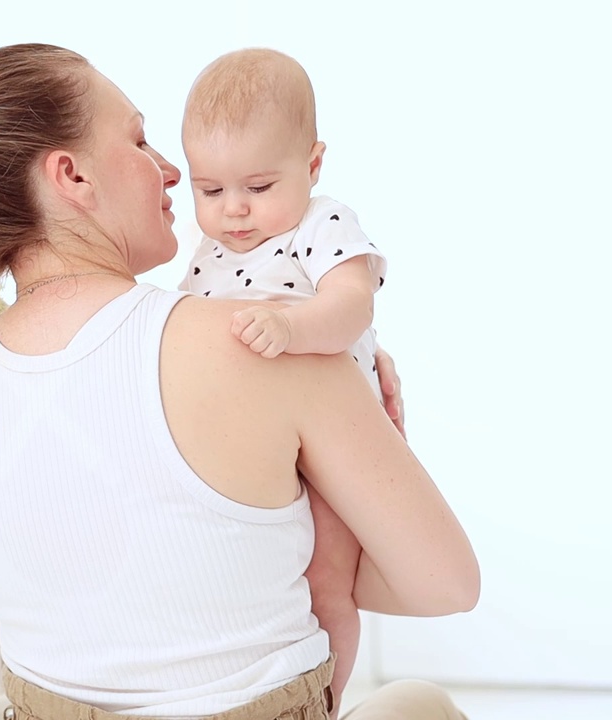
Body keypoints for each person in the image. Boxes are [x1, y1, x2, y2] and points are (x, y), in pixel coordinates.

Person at [0, 43, 478, 720]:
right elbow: (446, 586)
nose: (174, 170)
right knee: (418, 705)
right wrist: (375, 447)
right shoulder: (263, 338)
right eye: (141, 140)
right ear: (72, 177)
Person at [177, 48, 389, 707]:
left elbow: (353, 302)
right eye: (209, 191)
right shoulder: (210, 253)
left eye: (258, 188)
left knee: (327, 581)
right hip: (257, 451)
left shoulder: (322, 222)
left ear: (312, 165)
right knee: (259, 591)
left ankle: (323, 704)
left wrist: (294, 329)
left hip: (336, 446)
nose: (234, 210)